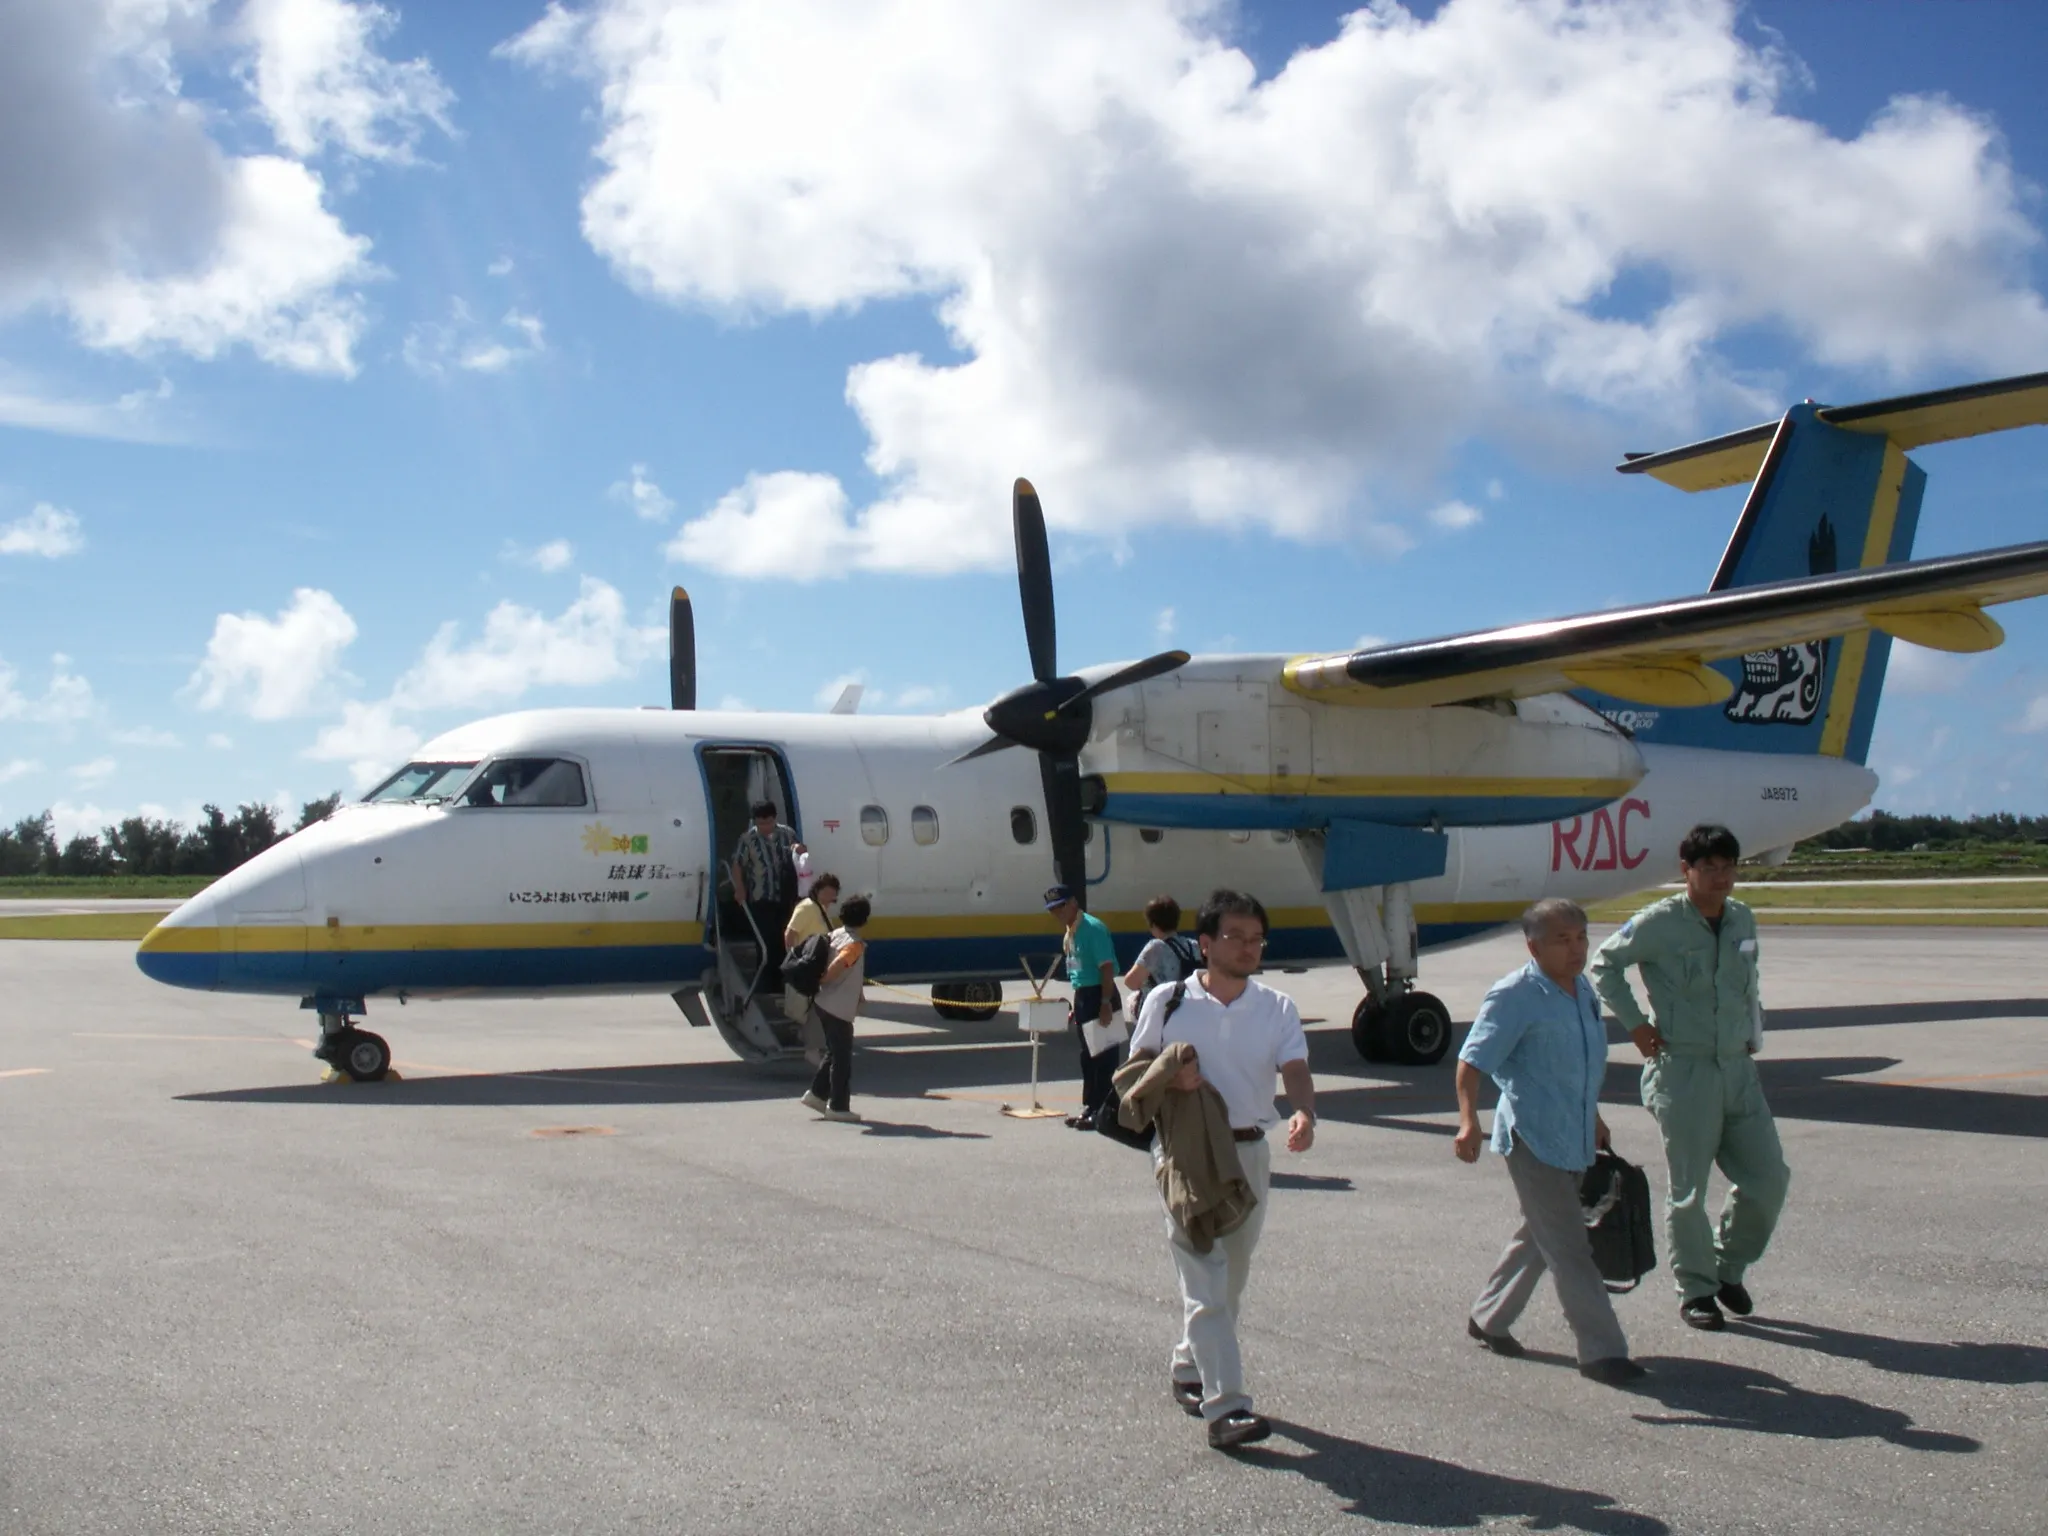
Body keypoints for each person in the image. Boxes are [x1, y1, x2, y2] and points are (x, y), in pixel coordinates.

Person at [1126, 888, 1315, 1451]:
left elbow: (1297, 1067)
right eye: (1236, 937)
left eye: (1257, 939)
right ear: (1205, 943)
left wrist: (1304, 1109)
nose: (1249, 948)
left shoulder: (1277, 1005)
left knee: (1231, 1275)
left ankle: (1189, 1366)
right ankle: (1227, 1407)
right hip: (1186, 1151)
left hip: (1250, 1150)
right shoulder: (1168, 1000)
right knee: (1204, 1275)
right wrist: (1171, 1077)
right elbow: (1136, 1072)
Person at [1589, 823, 1788, 1332]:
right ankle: (1696, 1290)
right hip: (1685, 1070)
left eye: (1728, 867)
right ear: (1686, 871)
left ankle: (1726, 1268)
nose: (1720, 878)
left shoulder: (1742, 918)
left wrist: (1753, 1032)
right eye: (1709, 868)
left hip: (1738, 1070)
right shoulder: (1661, 922)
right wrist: (1635, 1025)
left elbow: (1749, 986)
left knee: (1768, 1180)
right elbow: (1605, 964)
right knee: (1689, 1192)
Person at [1455, 898, 1646, 1386]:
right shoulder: (1514, 995)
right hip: (1533, 1137)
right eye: (1562, 939)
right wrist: (1467, 1122)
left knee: (1539, 1235)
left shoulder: (1583, 990)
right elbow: (1471, 1063)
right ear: (1533, 945)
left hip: (1577, 1132)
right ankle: (1603, 1352)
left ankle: (1489, 1317)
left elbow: (1581, 1064)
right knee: (1568, 1245)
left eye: (1581, 936)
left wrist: (1597, 1117)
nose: (1576, 948)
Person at [1045, 883, 1122, 1130]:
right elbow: (1079, 971)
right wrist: (1077, 1005)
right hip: (1085, 995)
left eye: (1061, 906)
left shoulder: (1091, 928)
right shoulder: (1072, 932)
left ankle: (1104, 1110)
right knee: (1088, 1057)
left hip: (1101, 993)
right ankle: (1091, 1106)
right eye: (1053, 910)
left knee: (1104, 1058)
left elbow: (1107, 968)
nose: (1058, 913)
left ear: (1074, 903)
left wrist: (1105, 1003)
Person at [801, 894, 871, 1124]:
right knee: (842, 1058)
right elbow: (840, 963)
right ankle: (838, 1106)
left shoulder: (835, 934)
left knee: (833, 1051)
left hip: (824, 1003)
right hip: (837, 1007)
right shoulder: (854, 944)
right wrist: (825, 978)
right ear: (864, 919)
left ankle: (817, 1094)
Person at [731, 800, 799, 994]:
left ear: (774, 819)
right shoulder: (748, 839)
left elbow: (798, 858)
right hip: (762, 897)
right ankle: (766, 985)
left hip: (785, 896)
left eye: (768, 822)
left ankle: (784, 982)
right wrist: (739, 888)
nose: (764, 827)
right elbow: (737, 865)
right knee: (765, 941)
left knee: (783, 940)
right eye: (760, 823)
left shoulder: (788, 834)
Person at [785, 874, 841, 1066]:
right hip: (808, 966)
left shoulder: (822, 910)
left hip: (818, 965)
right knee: (815, 1008)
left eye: (833, 893)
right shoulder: (808, 907)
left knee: (816, 1008)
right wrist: (794, 958)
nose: (831, 896)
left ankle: (814, 1046)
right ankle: (812, 1049)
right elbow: (790, 933)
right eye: (827, 891)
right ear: (818, 890)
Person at [1121, 895, 1201, 1019]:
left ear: (1152, 924)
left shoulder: (1156, 947)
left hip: (1162, 1014)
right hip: (1189, 1011)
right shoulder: (1194, 946)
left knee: (1132, 999)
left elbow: (1131, 982)